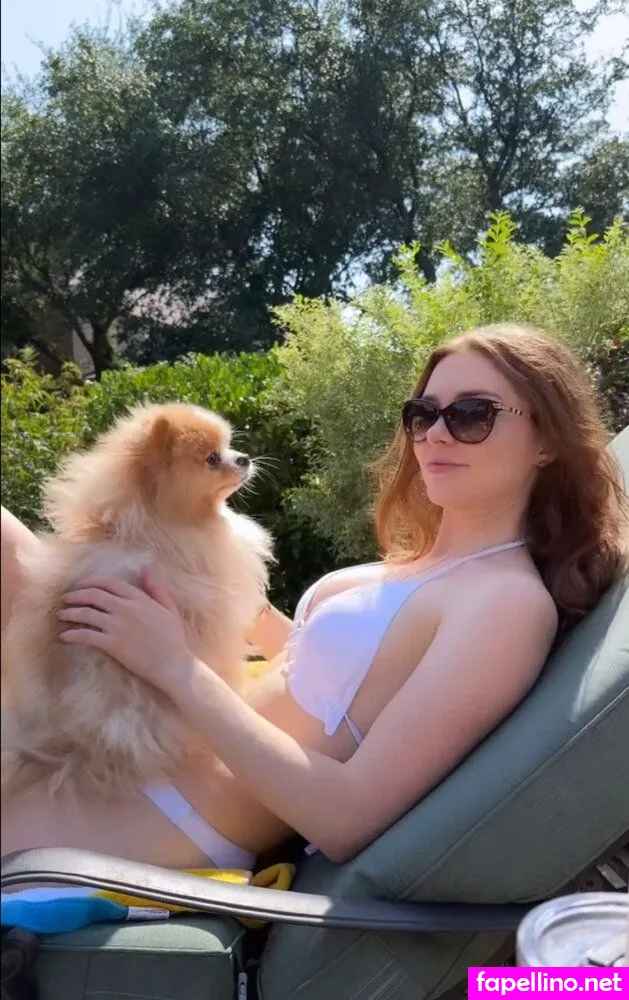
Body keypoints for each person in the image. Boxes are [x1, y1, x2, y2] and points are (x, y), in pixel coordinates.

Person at [2, 323, 626, 870]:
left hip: (170, 812)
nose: (436, 435)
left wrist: (175, 667)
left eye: (471, 415)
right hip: (136, 761)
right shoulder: (434, 568)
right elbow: (320, 680)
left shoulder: (507, 603)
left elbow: (346, 818)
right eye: (423, 414)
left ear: (547, 442)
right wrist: (214, 595)